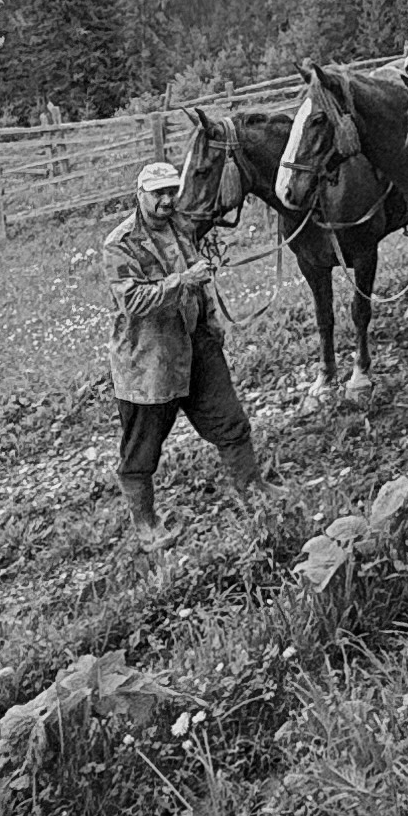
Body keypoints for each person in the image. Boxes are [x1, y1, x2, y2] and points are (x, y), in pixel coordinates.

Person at [104, 157, 258, 542]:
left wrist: (212, 320)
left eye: (172, 192)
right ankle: (146, 524)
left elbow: (201, 281)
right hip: (149, 360)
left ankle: (254, 493)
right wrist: (182, 281)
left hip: (196, 343)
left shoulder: (182, 227)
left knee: (231, 422)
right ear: (139, 194)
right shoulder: (120, 244)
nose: (166, 200)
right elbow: (133, 301)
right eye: (157, 193)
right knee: (141, 449)